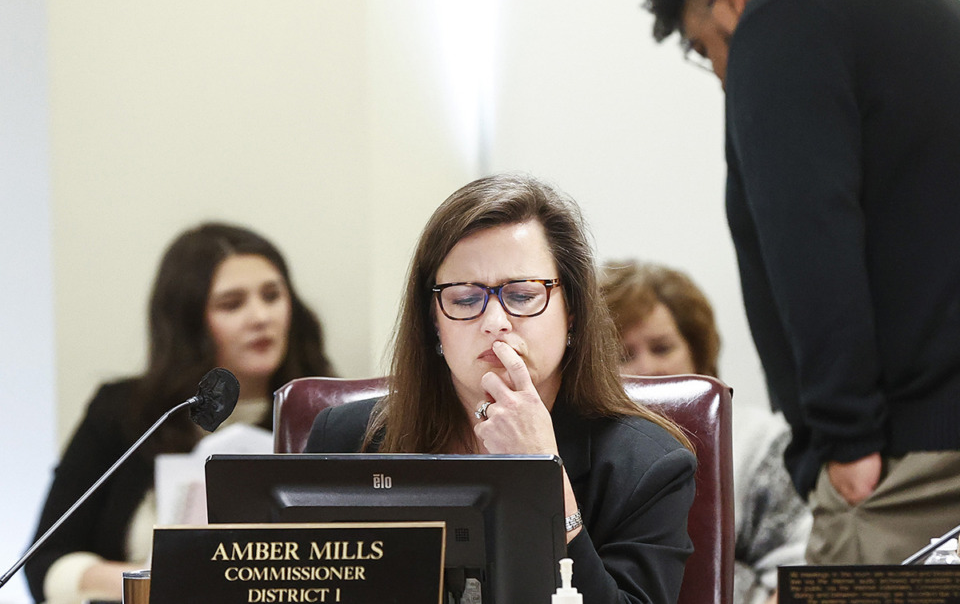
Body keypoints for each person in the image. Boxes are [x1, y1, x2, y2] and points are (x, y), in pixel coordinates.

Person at [644, 0, 960, 565]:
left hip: (910, 468)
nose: (724, 77)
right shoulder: (925, 12)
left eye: (707, 50)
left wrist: (845, 440)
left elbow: (809, 232)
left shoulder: (780, 16)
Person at [306, 173, 696, 604]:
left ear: (572, 315)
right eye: (465, 300)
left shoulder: (648, 466)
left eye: (524, 295)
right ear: (433, 322)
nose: (495, 321)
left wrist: (543, 478)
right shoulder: (347, 439)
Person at [25, 222, 336, 604]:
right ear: (188, 323)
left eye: (272, 296)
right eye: (231, 304)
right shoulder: (123, 413)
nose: (260, 317)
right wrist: (153, 580)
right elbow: (44, 563)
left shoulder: (328, 418)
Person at [600, 260, 811, 604]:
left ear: (698, 352)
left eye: (662, 348)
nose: (647, 368)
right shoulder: (584, 448)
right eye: (624, 355)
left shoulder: (763, 441)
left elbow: (797, 575)